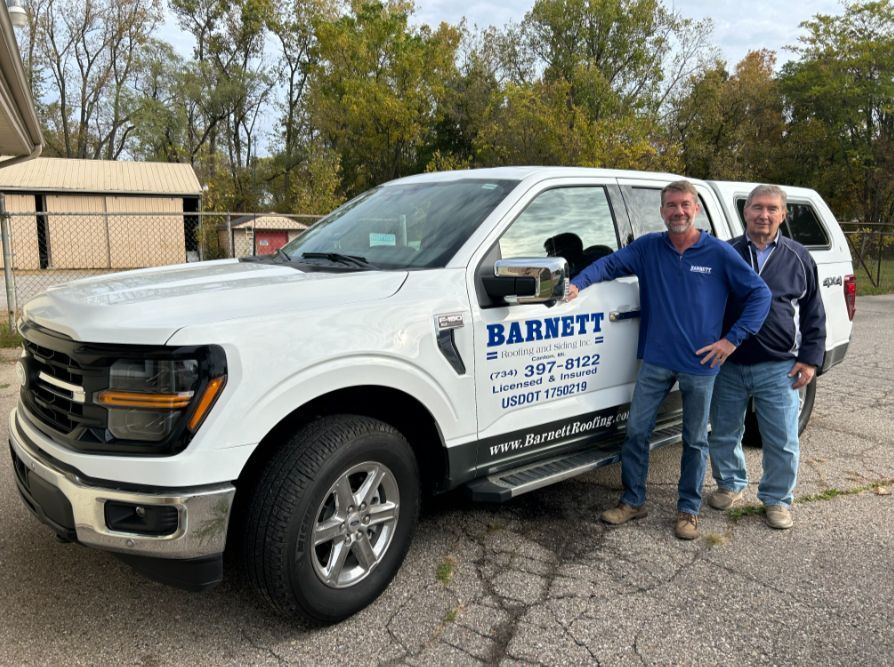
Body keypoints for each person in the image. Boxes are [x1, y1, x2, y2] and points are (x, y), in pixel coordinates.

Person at [566, 180, 771, 540]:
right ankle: (633, 502)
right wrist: (578, 284)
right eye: (671, 206)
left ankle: (688, 510)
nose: (678, 211)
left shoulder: (718, 253)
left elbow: (760, 294)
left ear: (696, 210)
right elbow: (609, 264)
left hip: (700, 365)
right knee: (636, 432)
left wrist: (730, 341)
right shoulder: (648, 248)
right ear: (662, 212)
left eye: (685, 205)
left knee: (694, 440)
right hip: (656, 360)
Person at [707, 184, 826, 529]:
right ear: (746, 212)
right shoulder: (725, 252)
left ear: (783, 214)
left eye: (772, 209)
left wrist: (810, 358)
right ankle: (730, 485)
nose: (764, 215)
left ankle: (777, 500)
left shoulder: (798, 257)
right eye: (757, 208)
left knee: (782, 439)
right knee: (725, 432)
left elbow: (814, 313)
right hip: (729, 364)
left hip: (779, 367)